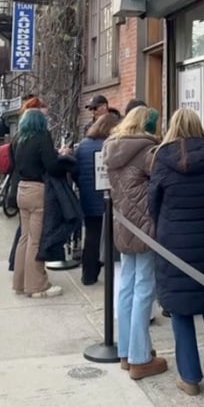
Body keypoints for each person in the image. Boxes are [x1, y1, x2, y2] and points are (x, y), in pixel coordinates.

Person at [149, 108, 204, 396]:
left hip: (174, 242)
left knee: (181, 310)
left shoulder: (162, 156)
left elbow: (154, 200)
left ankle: (190, 377)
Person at [103, 106, 166, 380]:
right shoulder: (148, 151)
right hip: (146, 226)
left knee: (127, 287)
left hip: (123, 224)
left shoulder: (111, 148)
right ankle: (140, 357)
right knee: (144, 289)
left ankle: (127, 352)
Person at [11, 109, 69, 298]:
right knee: (36, 240)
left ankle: (20, 283)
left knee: (24, 238)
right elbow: (52, 166)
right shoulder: (42, 137)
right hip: (37, 190)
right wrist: (62, 157)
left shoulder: (20, 139)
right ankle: (36, 286)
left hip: (22, 189)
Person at [74, 113, 119, 285]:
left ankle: (88, 275)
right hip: (108, 198)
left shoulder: (83, 146)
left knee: (91, 237)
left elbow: (75, 171)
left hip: (87, 197)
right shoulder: (112, 145)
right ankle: (109, 271)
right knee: (109, 238)